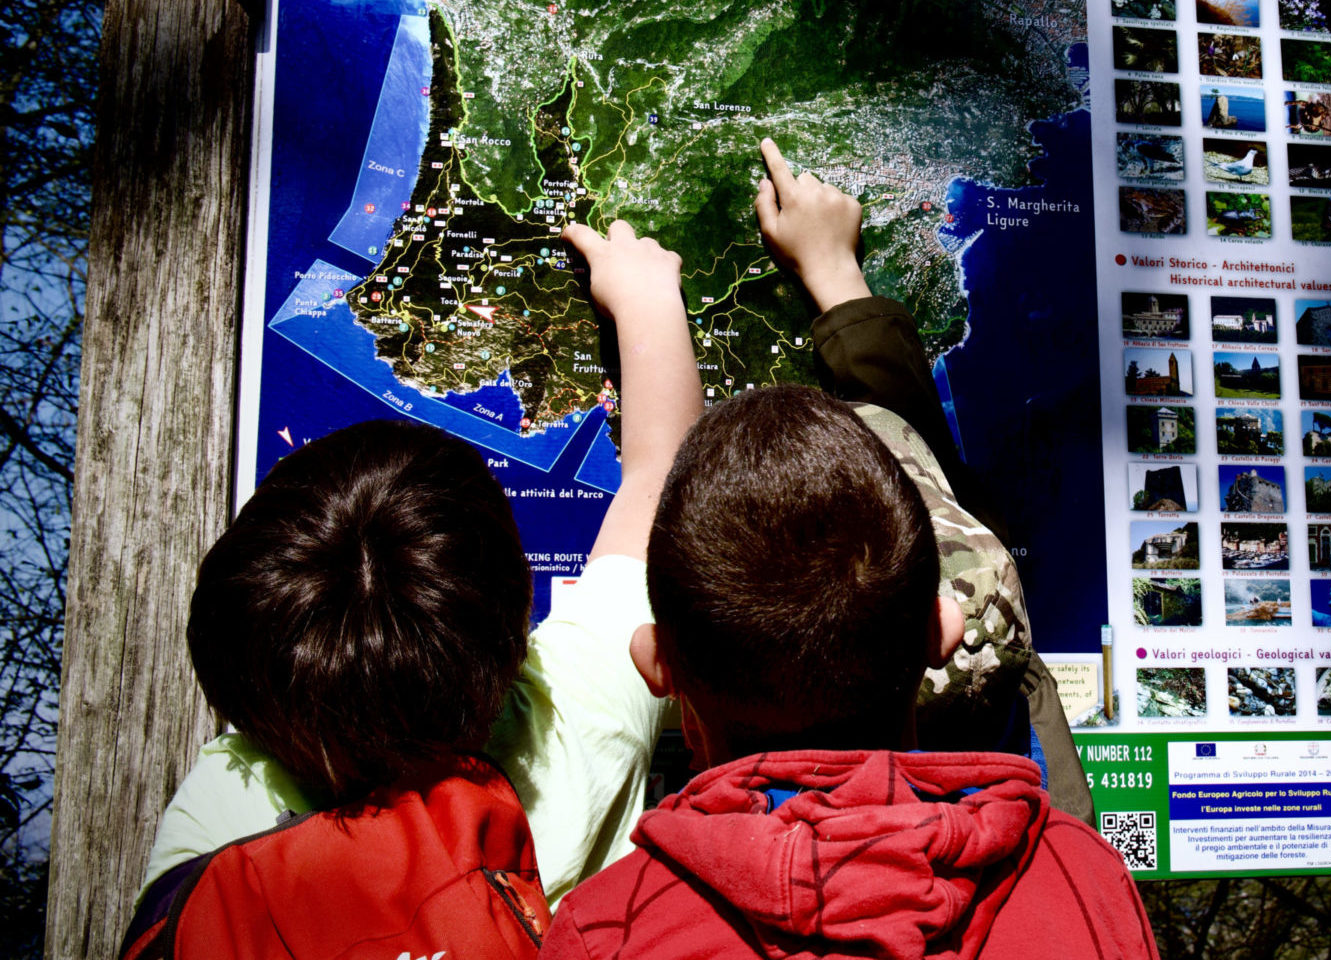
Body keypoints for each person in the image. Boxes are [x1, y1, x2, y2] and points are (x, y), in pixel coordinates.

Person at [538, 158, 1156, 954]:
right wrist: (838, 278)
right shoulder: (1082, 884)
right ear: (943, 628)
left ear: (658, 664)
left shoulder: (608, 929)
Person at [126, 228, 698, 951]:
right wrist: (649, 302)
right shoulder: (576, 723)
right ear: (517, 619)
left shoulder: (221, 823)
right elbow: (662, 479)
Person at [747, 138, 1092, 823]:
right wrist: (838, 275)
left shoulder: (729, 854)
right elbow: (946, 514)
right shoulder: (1057, 838)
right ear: (948, 625)